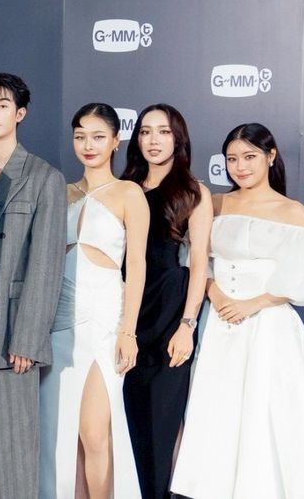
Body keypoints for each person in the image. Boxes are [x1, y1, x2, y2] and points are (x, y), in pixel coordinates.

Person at [170, 123, 304, 499]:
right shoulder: (215, 204)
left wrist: (253, 303)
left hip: (268, 326)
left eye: (249, 157)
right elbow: (193, 259)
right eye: (232, 159)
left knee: (271, 411)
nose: (240, 167)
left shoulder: (292, 212)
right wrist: (215, 293)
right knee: (219, 410)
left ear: (270, 156)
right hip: (219, 326)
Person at [0, 73, 66, 499]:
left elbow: (47, 263)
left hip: (10, 338)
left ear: (20, 113)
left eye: (3, 105)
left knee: (15, 460)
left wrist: (27, 338)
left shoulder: (44, 177)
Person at [40, 103, 148, 499]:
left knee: (96, 432)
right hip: (59, 322)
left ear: (116, 141)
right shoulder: (62, 192)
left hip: (105, 322)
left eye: (98, 137)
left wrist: (128, 331)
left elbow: (137, 265)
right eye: (80, 136)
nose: (88, 145)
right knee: (62, 433)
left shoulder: (129, 193)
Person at [118, 104, 211, 499]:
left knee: (160, 425)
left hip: (169, 312)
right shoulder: (123, 187)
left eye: (163, 132)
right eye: (145, 131)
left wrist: (187, 325)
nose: (153, 140)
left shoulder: (192, 192)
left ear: (178, 139)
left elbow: (200, 260)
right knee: (123, 423)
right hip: (122, 310)